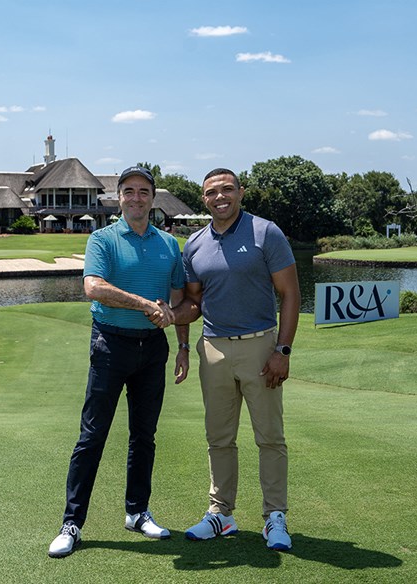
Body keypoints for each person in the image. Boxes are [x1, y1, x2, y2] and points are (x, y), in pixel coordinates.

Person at [48, 166, 191, 558]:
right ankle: (72, 522)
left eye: (143, 191)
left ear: (153, 197)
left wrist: (183, 346)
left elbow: (178, 300)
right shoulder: (103, 239)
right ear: (119, 197)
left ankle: (137, 511)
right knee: (92, 436)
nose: (136, 198)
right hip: (111, 344)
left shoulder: (169, 244)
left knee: (144, 437)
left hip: (153, 348)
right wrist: (144, 303)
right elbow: (93, 286)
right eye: (128, 191)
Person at [174, 168, 300, 551]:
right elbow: (194, 304)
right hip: (213, 349)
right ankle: (221, 515)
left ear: (241, 192)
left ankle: (274, 517)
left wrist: (283, 350)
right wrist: (169, 315)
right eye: (212, 192)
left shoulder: (266, 232)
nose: (221, 197)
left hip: (261, 347)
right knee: (219, 438)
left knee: (270, 437)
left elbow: (291, 295)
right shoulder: (194, 244)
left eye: (228, 189)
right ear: (204, 199)